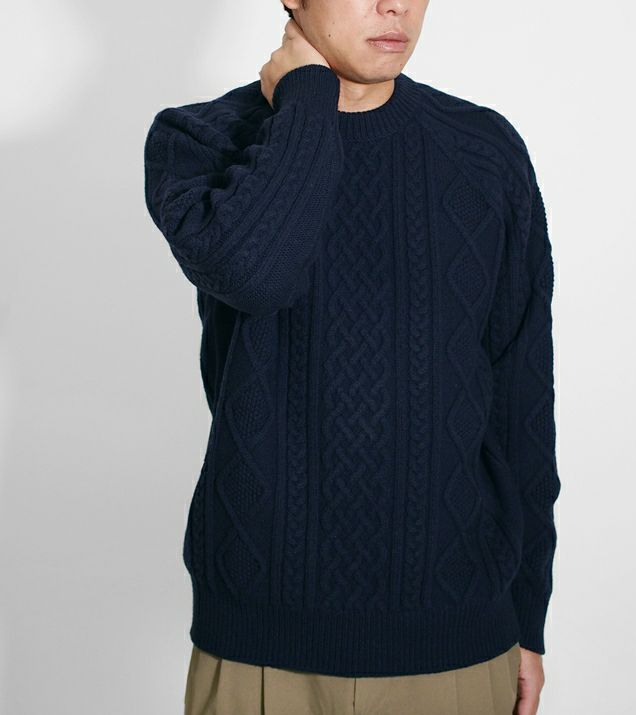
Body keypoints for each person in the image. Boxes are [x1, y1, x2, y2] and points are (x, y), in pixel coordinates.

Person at [143, 1, 561, 713]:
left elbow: (521, 392)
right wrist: (307, 99)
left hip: (457, 637)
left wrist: (527, 614)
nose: (394, 5)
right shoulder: (200, 138)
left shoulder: (483, 151)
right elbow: (254, 273)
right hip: (261, 646)